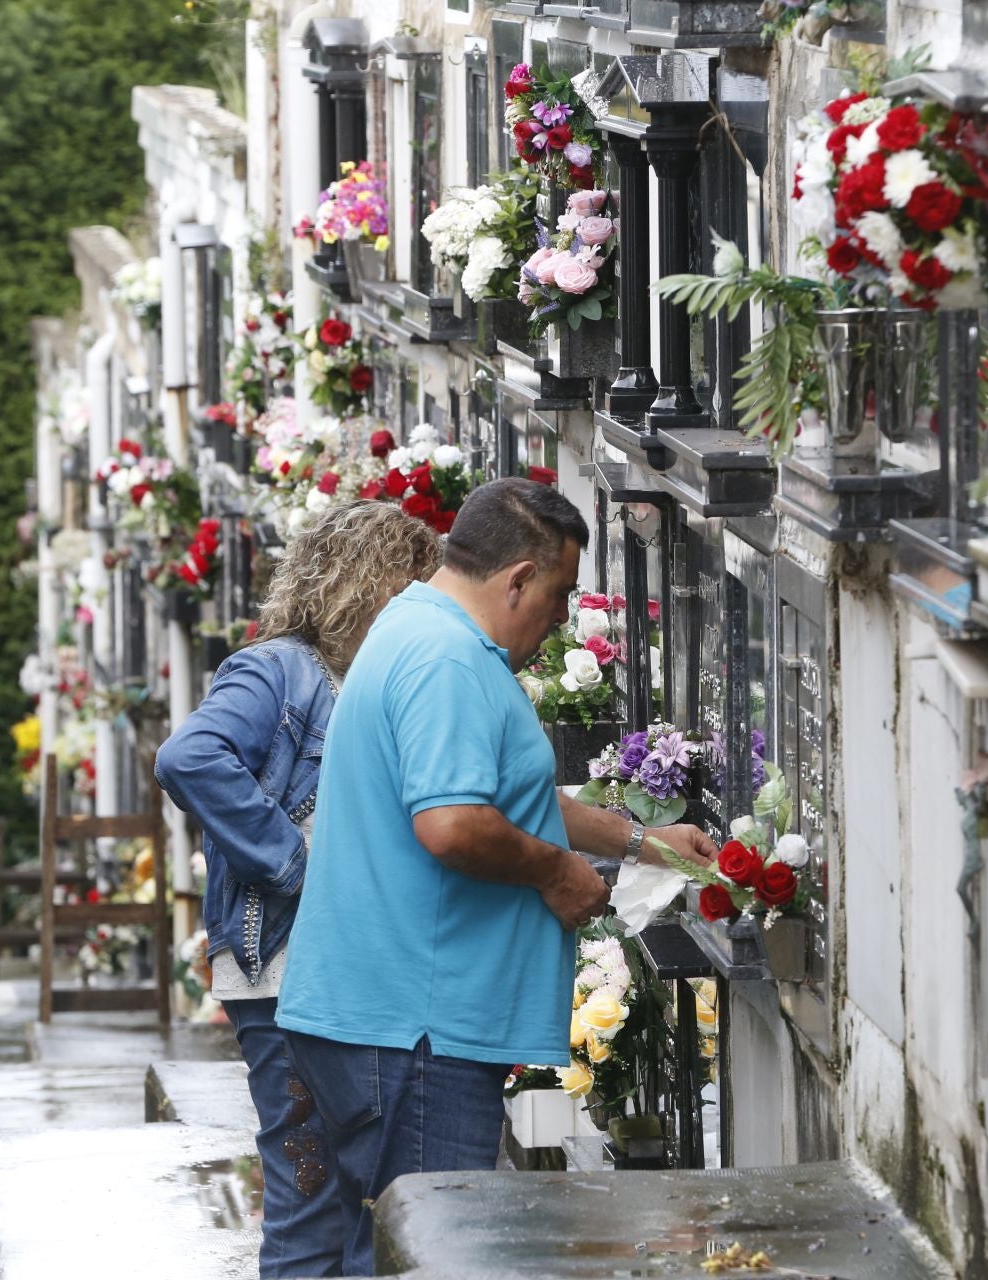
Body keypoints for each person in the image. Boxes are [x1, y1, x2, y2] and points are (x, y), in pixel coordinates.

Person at [276, 477, 717, 1275]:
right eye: (556, 596)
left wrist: (642, 842)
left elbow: (503, 796)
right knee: (439, 1257)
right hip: (415, 1032)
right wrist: (556, 874)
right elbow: (451, 824)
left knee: (374, 1253)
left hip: (382, 1019)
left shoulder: (418, 626)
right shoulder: (446, 659)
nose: (557, 622)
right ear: (516, 577)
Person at [154, 502, 443, 1280]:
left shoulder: (361, 675)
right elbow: (190, 758)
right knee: (310, 1196)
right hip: (286, 969)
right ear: (371, 585)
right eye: (416, 587)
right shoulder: (279, 668)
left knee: (359, 1202)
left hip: (341, 970)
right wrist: (299, 869)